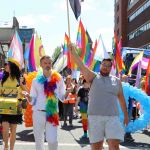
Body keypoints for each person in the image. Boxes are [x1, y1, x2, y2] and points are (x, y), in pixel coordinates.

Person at [68, 44, 129, 150]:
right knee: (97, 147)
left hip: (112, 118)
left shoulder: (117, 81)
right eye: (104, 64)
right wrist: (73, 53)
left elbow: (122, 99)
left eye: (108, 65)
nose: (105, 67)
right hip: (95, 118)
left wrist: (126, 115)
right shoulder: (93, 77)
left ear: (111, 67)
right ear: (100, 65)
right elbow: (81, 66)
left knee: (114, 146)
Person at [24, 55, 66, 150]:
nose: (48, 65)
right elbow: (33, 101)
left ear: (52, 64)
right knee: (39, 140)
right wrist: (28, 96)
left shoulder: (58, 79)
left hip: (52, 113)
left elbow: (62, 97)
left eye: (49, 63)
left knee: (52, 140)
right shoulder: (36, 81)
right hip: (38, 113)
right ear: (41, 65)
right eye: (45, 63)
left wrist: (67, 92)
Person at [0, 61, 26, 150]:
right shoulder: (3, 79)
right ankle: (6, 147)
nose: (5, 66)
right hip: (4, 106)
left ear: (12, 66)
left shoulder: (19, 79)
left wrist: (23, 91)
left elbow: (27, 91)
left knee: (13, 130)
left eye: (7, 65)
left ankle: (11, 148)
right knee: (5, 128)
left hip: (16, 106)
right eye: (5, 65)